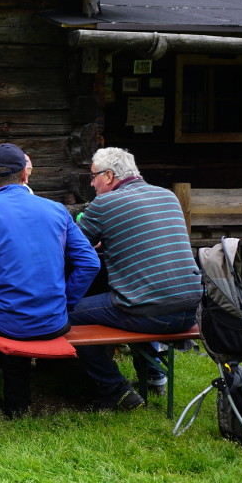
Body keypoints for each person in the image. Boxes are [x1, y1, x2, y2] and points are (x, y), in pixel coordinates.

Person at [0, 143, 100, 421]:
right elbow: (90, 262)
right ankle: (17, 405)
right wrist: (66, 302)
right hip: (56, 321)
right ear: (25, 176)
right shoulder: (56, 209)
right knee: (9, 316)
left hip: (8, 321)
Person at [69, 147, 201, 410]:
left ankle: (116, 392)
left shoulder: (104, 204)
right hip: (190, 309)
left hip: (152, 313)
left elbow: (73, 248)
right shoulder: (167, 196)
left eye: (93, 176)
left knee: (69, 314)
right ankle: (153, 376)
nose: (91, 182)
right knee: (143, 289)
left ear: (108, 175)